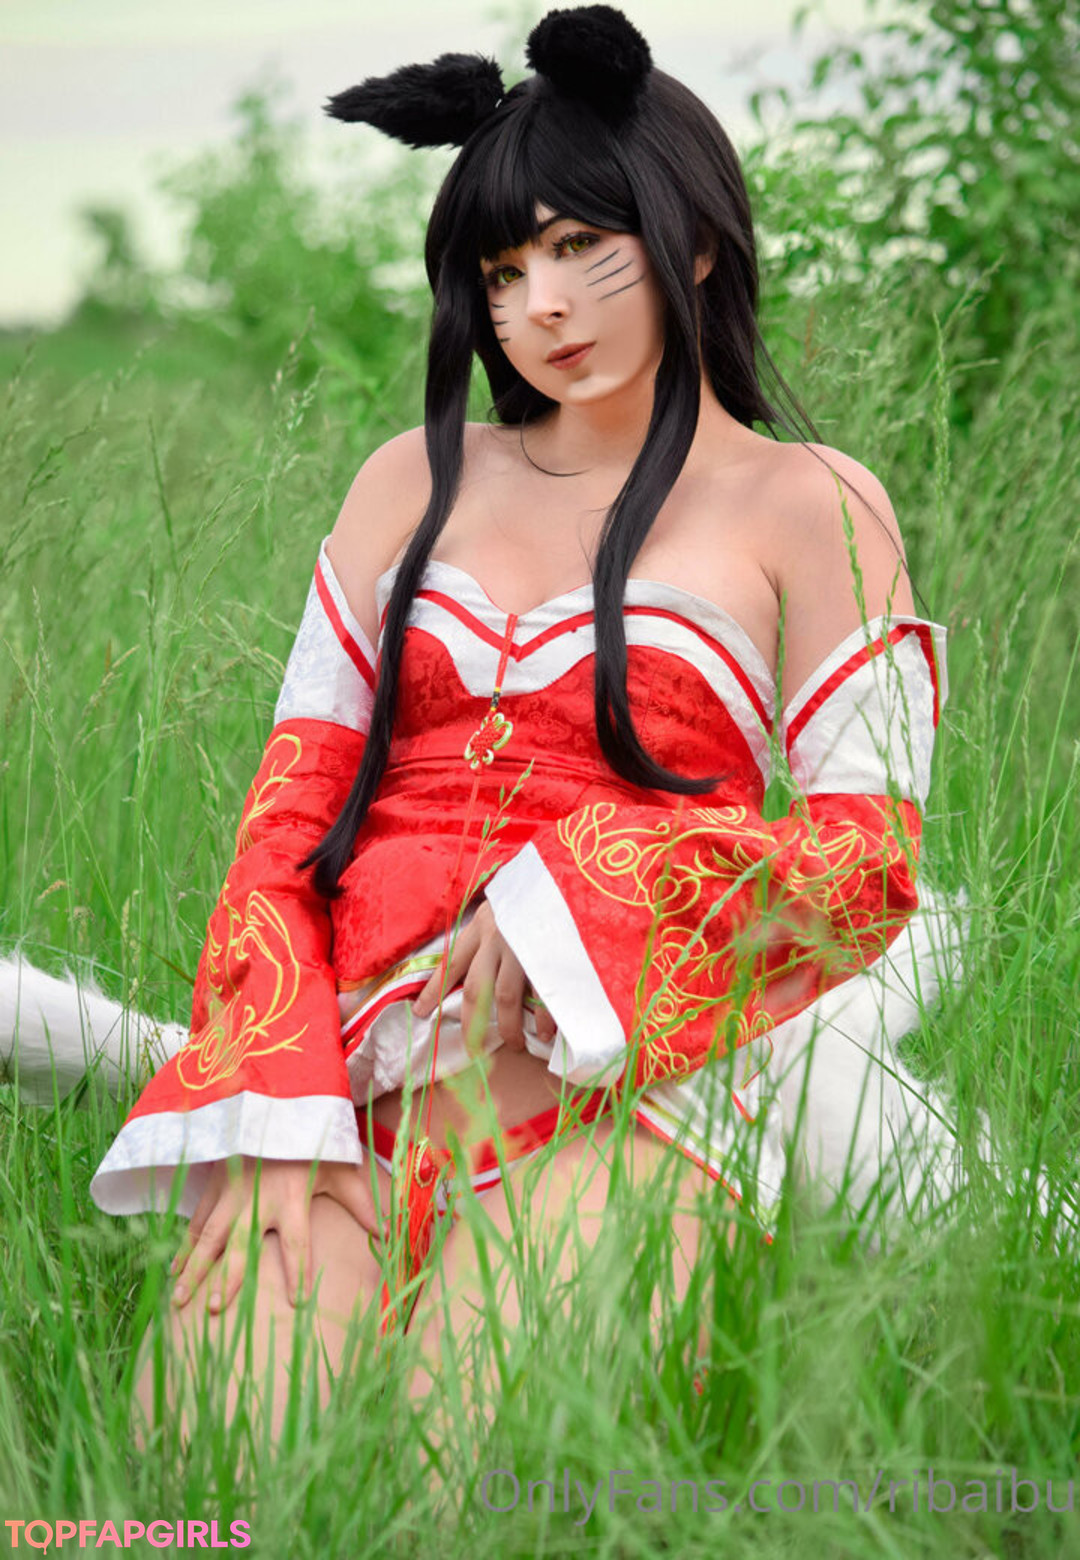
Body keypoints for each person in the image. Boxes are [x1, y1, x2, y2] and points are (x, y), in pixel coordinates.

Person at [19, 4, 990, 1449]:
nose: (540, 304)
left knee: (441, 1481)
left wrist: (571, 899)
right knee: (204, 1483)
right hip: (342, 1101)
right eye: (502, 269)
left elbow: (869, 862)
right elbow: (287, 829)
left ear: (692, 239)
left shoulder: (808, 502)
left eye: (581, 247)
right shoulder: (408, 481)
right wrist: (268, 1103)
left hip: (636, 1113)